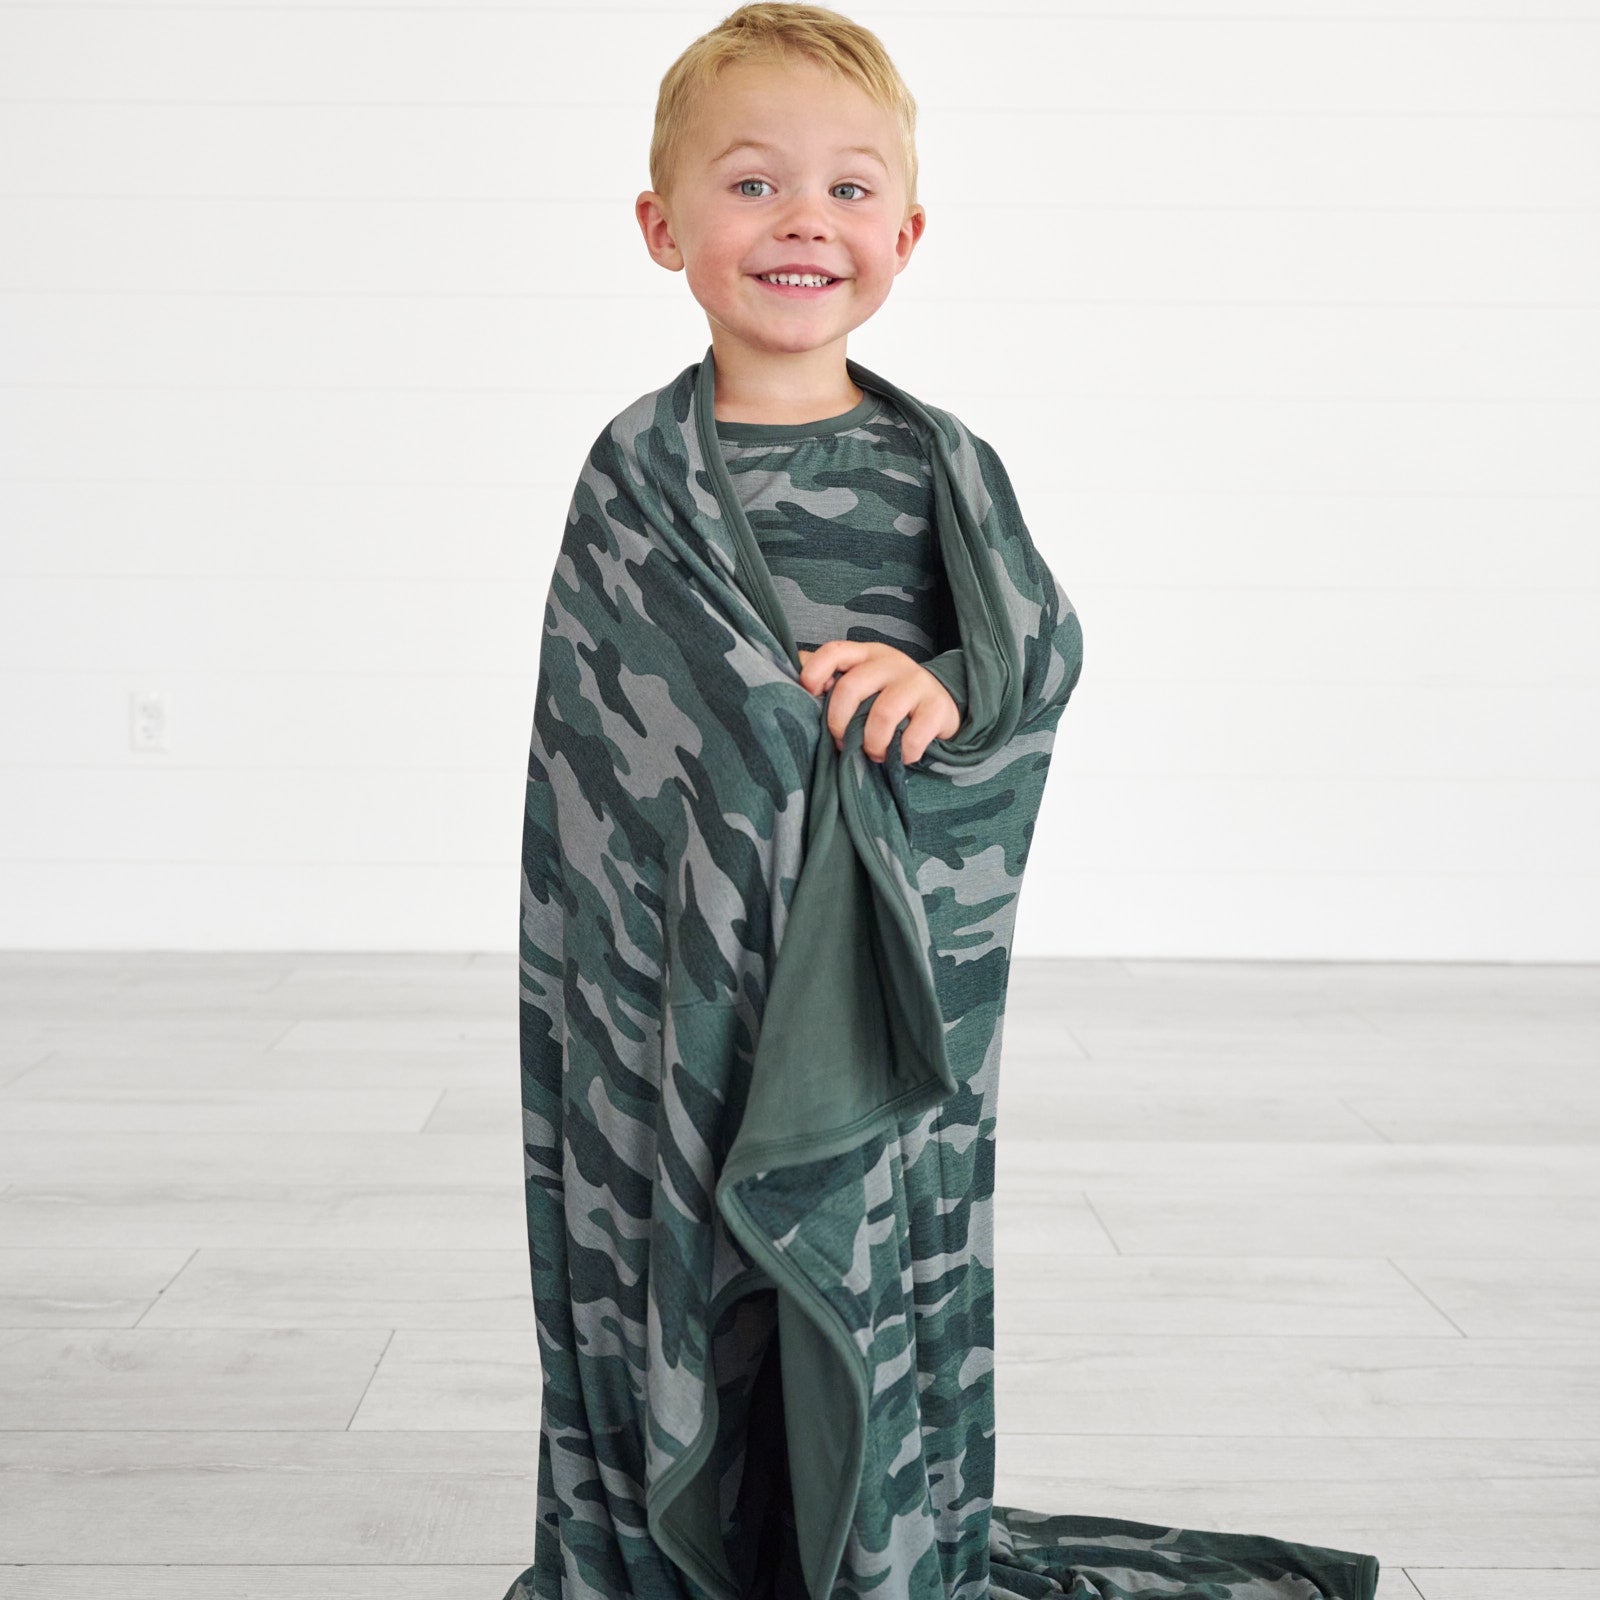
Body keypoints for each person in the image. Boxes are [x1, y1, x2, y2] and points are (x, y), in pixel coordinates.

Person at [505, 7, 1379, 1600]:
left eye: (849, 192)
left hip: (884, 999)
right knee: (696, 1272)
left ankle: (869, 1548)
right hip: (683, 1007)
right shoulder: (632, 483)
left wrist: (951, 692)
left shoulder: (941, 468)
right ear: (662, 226)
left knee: (861, 1268)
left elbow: (1033, 653)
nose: (803, 223)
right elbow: (592, 790)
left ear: (907, 232)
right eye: (754, 183)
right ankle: (696, 1547)